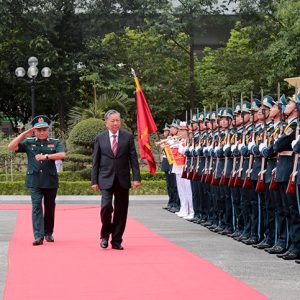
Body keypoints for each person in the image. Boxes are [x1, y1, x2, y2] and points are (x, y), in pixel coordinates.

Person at [7, 115, 66, 246]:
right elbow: (11, 147)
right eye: (39, 130)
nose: (42, 132)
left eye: (44, 129)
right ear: (35, 131)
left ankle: (48, 233)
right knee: (36, 206)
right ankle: (38, 236)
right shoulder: (29, 142)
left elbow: (62, 155)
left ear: (47, 130)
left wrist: (46, 156)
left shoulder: (55, 142)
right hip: (34, 181)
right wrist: (24, 134)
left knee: (50, 208)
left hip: (50, 181)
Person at [91, 109, 141, 250]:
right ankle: (105, 235)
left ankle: (117, 240)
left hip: (123, 179)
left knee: (121, 210)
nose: (115, 123)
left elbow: (133, 159)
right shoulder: (100, 138)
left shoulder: (127, 137)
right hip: (105, 179)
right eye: (112, 121)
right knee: (106, 207)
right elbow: (95, 161)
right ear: (106, 123)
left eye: (117, 120)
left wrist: (136, 178)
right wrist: (94, 181)